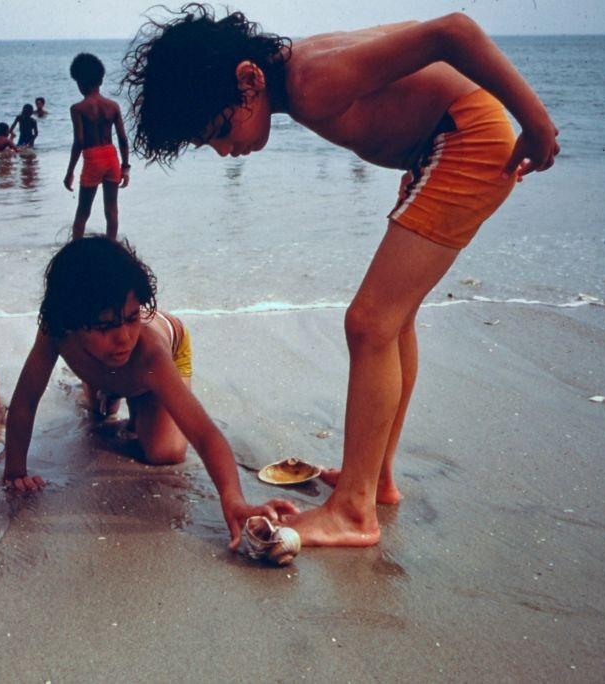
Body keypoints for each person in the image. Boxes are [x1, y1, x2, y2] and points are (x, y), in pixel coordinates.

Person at [122, 6, 559, 547]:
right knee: (392, 322)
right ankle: (374, 482)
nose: (222, 151)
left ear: (247, 80)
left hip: (463, 140)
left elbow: (455, 31)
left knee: (369, 323)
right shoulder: (298, 68)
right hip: (439, 146)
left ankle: (353, 510)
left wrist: (537, 123)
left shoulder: (311, 78)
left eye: (218, 130)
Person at [3, 236, 298, 549]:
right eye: (106, 327)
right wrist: (15, 471)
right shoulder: (56, 333)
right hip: (105, 368)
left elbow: (204, 434)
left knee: (164, 453)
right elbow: (25, 401)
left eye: (131, 318)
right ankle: (106, 389)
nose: (123, 337)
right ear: (71, 323)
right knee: (97, 410)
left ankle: (133, 394)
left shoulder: (148, 353)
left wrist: (234, 499)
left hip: (163, 356)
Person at [64, 53, 131, 240]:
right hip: (112, 157)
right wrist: (125, 167)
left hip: (92, 159)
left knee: (83, 211)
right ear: (100, 80)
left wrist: (70, 171)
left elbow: (79, 142)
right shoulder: (113, 106)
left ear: (79, 82)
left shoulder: (78, 108)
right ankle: (112, 247)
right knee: (112, 210)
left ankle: (75, 249)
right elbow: (123, 139)